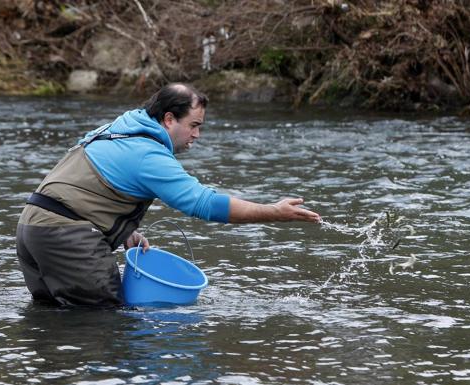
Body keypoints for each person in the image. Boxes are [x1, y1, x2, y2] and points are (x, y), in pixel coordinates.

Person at [16, 83, 321, 307]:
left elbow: (88, 185)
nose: (197, 136)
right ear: (169, 119)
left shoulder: (120, 127)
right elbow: (203, 203)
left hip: (31, 229)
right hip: (65, 236)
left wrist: (124, 230)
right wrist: (274, 212)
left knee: (53, 319)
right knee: (104, 322)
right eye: (194, 125)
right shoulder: (149, 155)